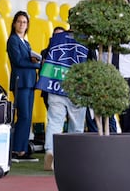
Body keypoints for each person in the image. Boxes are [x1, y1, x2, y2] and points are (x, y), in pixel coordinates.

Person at [85, 0, 130, 133]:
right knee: (105, 121)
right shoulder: (103, 30)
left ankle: (128, 153)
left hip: (127, 81)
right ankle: (107, 152)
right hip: (106, 80)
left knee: (127, 122)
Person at [35, 27, 90, 171]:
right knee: (76, 126)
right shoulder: (87, 41)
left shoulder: (57, 38)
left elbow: (46, 58)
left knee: (54, 122)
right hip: (78, 88)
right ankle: (72, 156)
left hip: (56, 86)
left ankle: (50, 151)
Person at [6, 11, 40, 161]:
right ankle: (16, 149)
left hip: (30, 83)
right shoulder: (13, 40)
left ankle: (22, 148)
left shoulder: (26, 42)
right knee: (23, 116)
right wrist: (38, 64)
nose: (22, 24)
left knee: (27, 117)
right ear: (14, 23)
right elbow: (18, 61)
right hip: (20, 83)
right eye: (19, 21)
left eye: (24, 22)